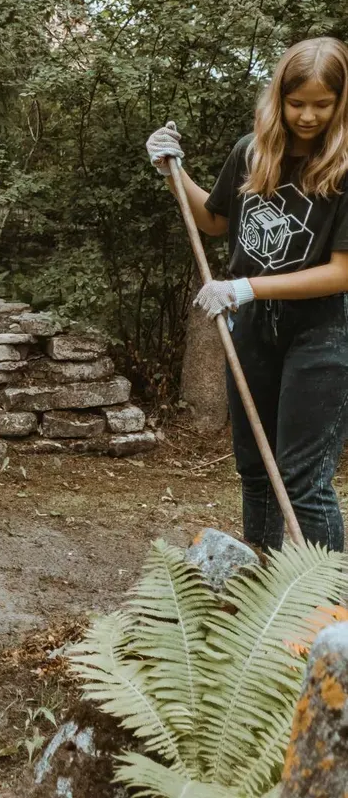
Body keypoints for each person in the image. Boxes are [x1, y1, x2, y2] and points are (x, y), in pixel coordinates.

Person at [144, 36, 348, 553]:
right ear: (278, 98)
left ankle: (326, 613)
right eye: (296, 103)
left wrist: (244, 286)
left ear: (341, 103)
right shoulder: (251, 152)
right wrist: (174, 170)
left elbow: (340, 273)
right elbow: (212, 221)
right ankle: (262, 586)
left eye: (321, 105)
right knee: (255, 469)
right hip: (254, 327)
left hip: (322, 331)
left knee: (303, 481)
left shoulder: (344, 168)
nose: (307, 116)